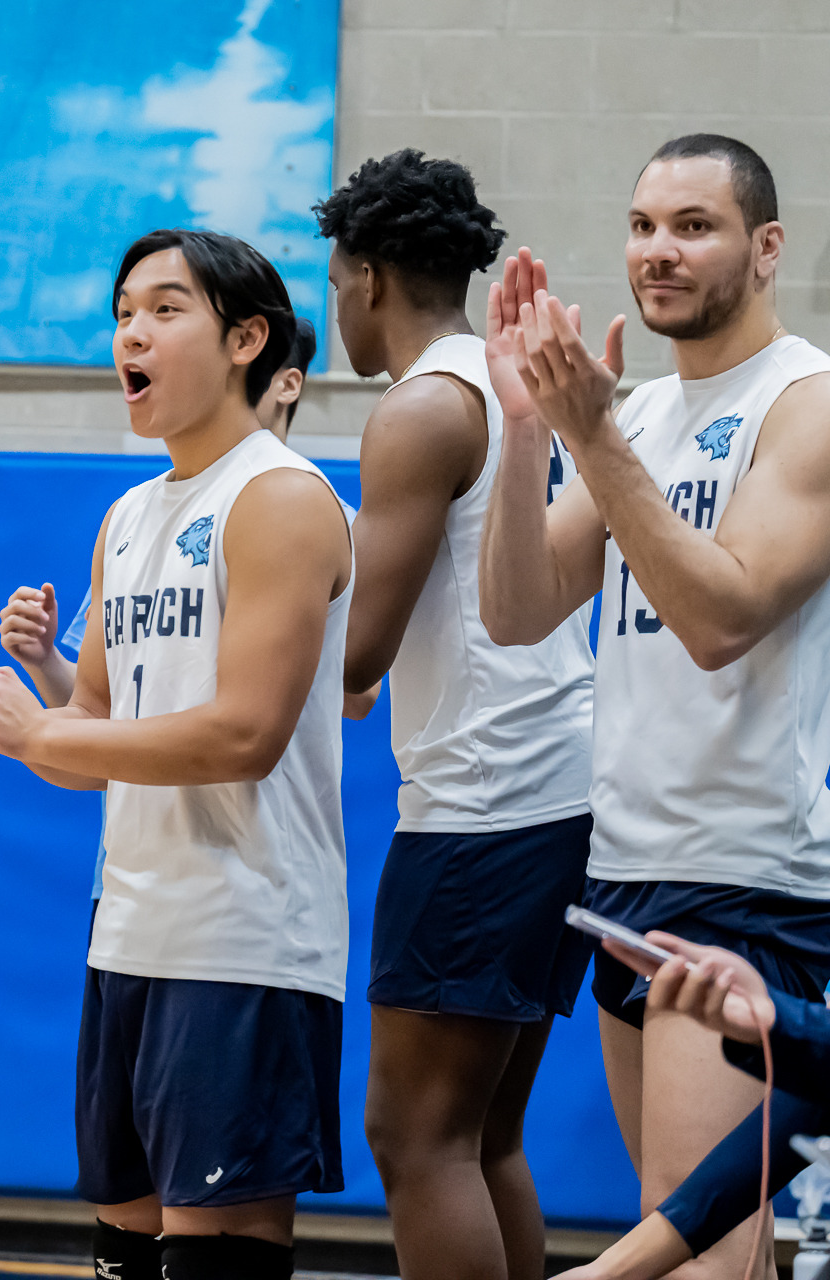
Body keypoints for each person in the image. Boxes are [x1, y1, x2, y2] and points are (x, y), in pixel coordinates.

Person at [0, 228, 353, 1280]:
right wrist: (6, 712)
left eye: (162, 309)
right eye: (120, 313)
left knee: (212, 1247)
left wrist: (40, 725)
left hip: (243, 937)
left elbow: (245, 735)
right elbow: (91, 740)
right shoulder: (127, 514)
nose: (129, 335)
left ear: (247, 338)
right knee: (124, 1227)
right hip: (130, 928)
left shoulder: (281, 496)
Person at [479, 133, 830, 1280]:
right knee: (709, 1249)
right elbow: (520, 610)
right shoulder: (648, 419)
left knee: (696, 1262)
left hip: (747, 877)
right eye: (641, 226)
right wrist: (531, 426)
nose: (658, 252)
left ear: (766, 246)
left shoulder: (805, 403)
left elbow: (723, 616)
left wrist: (592, 434)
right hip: (629, 863)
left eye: (693, 226)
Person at [315, 150, 596, 1280]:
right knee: (481, 1133)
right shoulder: (498, 379)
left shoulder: (425, 405)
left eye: (335, 278)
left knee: (413, 1132)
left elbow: (358, 653)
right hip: (553, 786)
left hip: (486, 801)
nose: (335, 302)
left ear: (367, 275)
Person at [0, 316, 315, 720]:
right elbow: (99, 717)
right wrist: (43, 664)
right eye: (126, 313)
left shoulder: (305, 505)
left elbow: (356, 691)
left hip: (235, 780)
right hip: (137, 784)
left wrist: (29, 732)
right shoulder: (129, 513)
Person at [552, 932, 821, 1280]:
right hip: (627, 892)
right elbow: (807, 1111)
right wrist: (605, 1271)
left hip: (735, 900)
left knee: (706, 1262)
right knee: (718, 1253)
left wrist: (608, 1271)